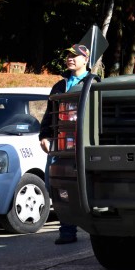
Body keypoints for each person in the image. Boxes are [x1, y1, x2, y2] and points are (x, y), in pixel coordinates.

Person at [39, 43, 91, 244]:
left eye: (74, 56)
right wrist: (44, 135)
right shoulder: (59, 86)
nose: (70, 59)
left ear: (85, 59)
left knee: (81, 186)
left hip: (82, 145)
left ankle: (92, 228)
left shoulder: (93, 82)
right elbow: (48, 114)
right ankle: (67, 231)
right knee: (56, 185)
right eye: (68, 56)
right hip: (60, 146)